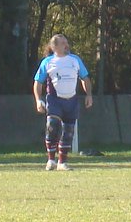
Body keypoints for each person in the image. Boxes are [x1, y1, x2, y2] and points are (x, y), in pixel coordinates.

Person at [33, 33, 93, 171]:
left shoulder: (75, 60)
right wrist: (38, 100)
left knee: (69, 131)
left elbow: (85, 78)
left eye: (67, 42)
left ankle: (62, 162)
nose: (66, 45)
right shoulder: (47, 62)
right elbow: (38, 82)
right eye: (63, 43)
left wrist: (89, 95)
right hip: (54, 100)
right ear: (54, 47)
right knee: (52, 126)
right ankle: (50, 160)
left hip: (71, 100)